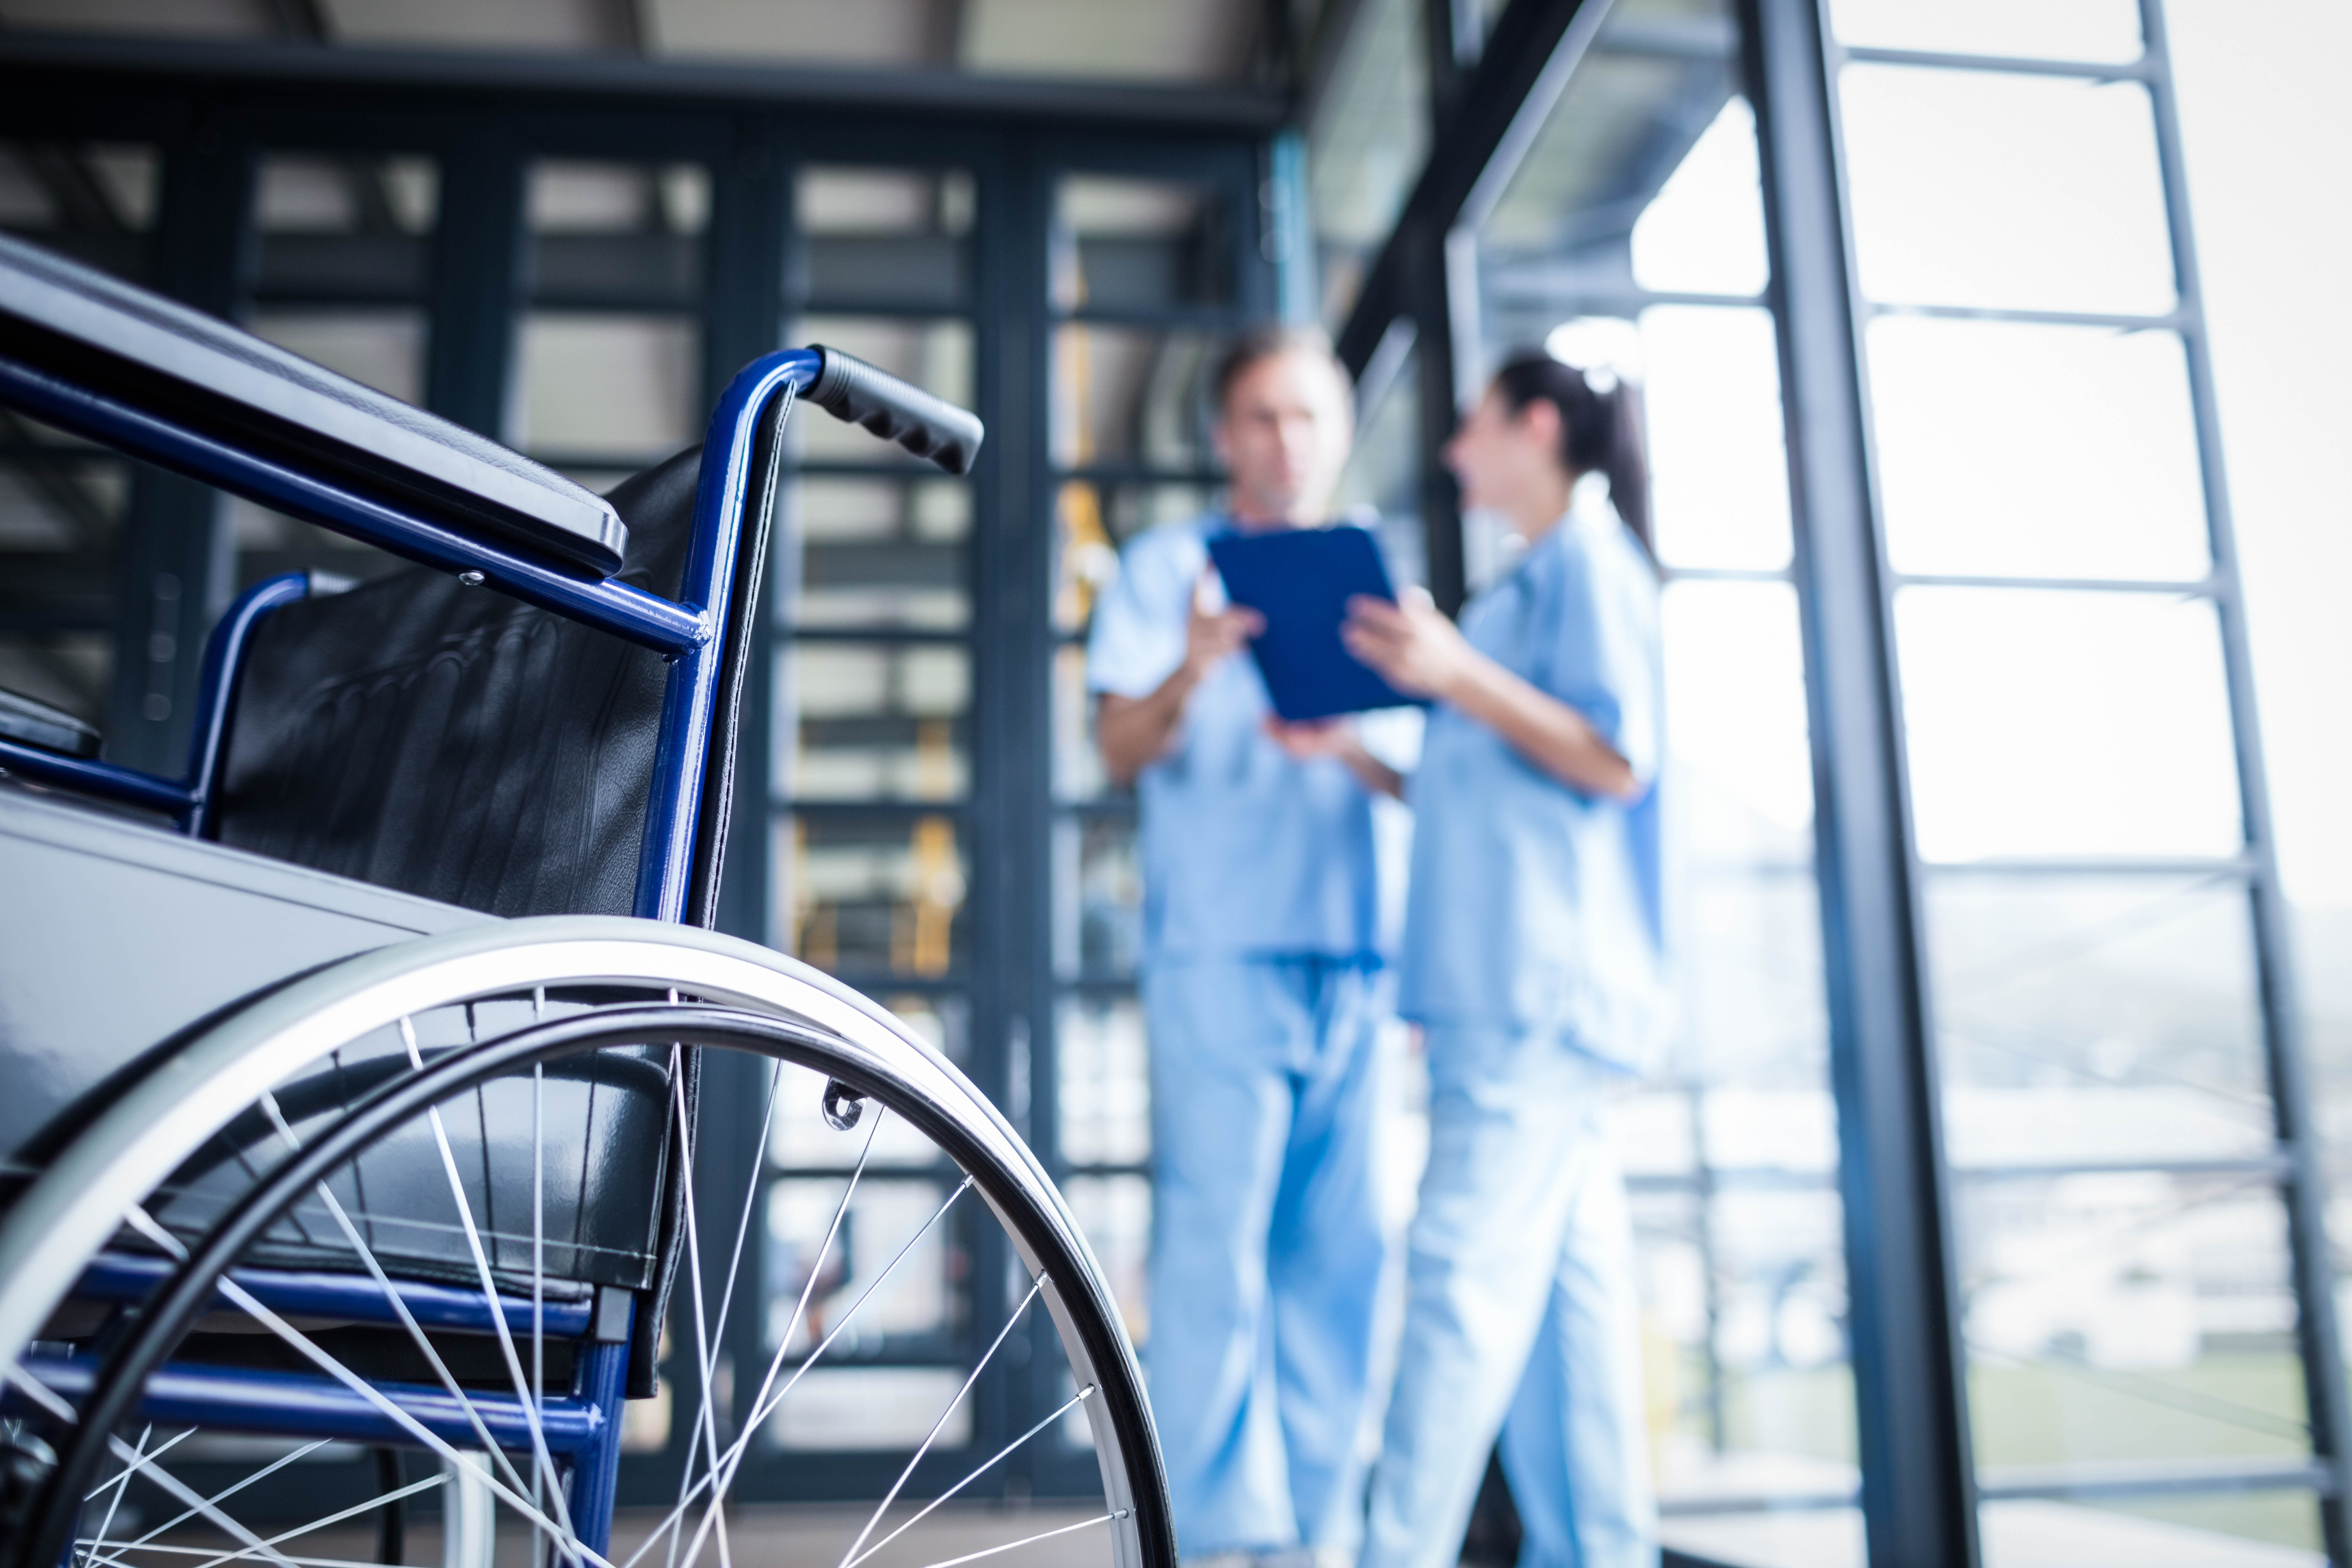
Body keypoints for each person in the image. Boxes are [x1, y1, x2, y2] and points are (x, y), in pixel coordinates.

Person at [1339, 351, 1666, 1568]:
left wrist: (1452, 672)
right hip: (1517, 1000)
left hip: (1532, 999)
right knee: (1566, 1339)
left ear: (1537, 426)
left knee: (1459, 1303)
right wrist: (1364, 756)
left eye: (1472, 424)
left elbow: (1616, 757)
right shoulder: (1531, 582)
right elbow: (1489, 793)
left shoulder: (1585, 559)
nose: (1453, 450)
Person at [1087, 324, 1396, 1566]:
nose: (1289, 441)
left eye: (1310, 416)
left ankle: (1318, 1537)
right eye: (1264, 417)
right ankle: (1213, 1540)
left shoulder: (1384, 578)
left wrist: (1353, 744)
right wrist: (1197, 665)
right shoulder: (1167, 569)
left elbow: (1432, 777)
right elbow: (1118, 746)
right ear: (1223, 436)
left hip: (1358, 956)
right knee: (1213, 1257)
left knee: (1338, 1263)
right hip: (1220, 953)